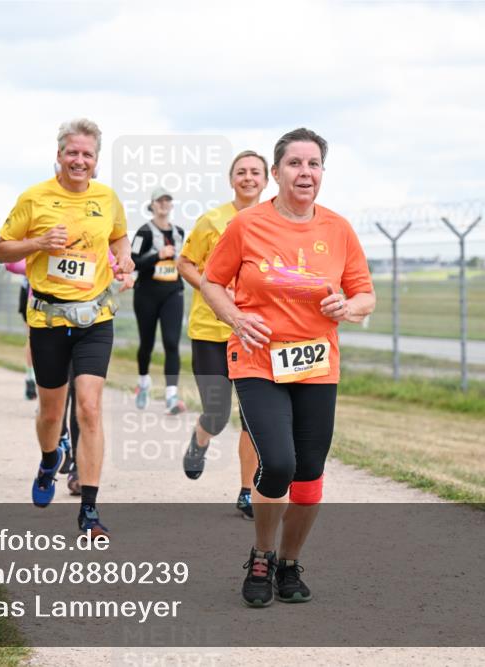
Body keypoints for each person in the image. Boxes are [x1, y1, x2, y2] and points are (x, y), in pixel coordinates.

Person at [201, 128, 376, 607]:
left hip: (316, 364)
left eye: (314, 164)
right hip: (258, 359)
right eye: (295, 164)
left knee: (310, 475)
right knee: (278, 463)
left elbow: (366, 293)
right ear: (275, 173)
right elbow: (212, 283)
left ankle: (289, 561)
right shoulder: (247, 226)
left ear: (322, 173)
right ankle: (261, 553)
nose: (305, 172)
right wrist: (235, 316)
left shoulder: (338, 229)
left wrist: (349, 307)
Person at [0, 118, 134, 539]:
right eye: (72, 152)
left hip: (95, 317)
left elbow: (119, 237)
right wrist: (37, 243)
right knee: (50, 411)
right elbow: (2, 248)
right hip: (48, 320)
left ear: (96, 160)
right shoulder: (34, 198)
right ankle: (49, 458)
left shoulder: (107, 198)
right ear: (58, 155)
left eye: (87, 154)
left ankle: (89, 510)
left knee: (89, 407)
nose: (79, 160)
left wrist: (124, 260)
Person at [178, 150, 270, 521]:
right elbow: (184, 262)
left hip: (255, 333)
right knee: (217, 412)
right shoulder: (211, 221)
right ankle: (201, 439)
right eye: (241, 172)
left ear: (267, 180)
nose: (248, 178)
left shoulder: (275, 222)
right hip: (211, 329)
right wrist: (212, 290)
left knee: (252, 417)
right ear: (231, 179)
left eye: (256, 173)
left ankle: (247, 491)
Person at [130, 188, 186, 414]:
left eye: (167, 200)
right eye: (159, 201)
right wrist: (157, 255)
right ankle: (143, 382)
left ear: (172, 205)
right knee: (147, 344)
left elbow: (186, 261)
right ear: (152, 205)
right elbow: (133, 261)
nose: (164, 204)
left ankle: (171, 396)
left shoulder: (179, 232)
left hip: (173, 292)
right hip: (146, 294)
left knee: (172, 342)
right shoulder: (143, 232)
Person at [3, 258, 38, 400]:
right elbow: (12, 262)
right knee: (33, 338)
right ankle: (30, 378)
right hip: (31, 291)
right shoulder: (30, 235)